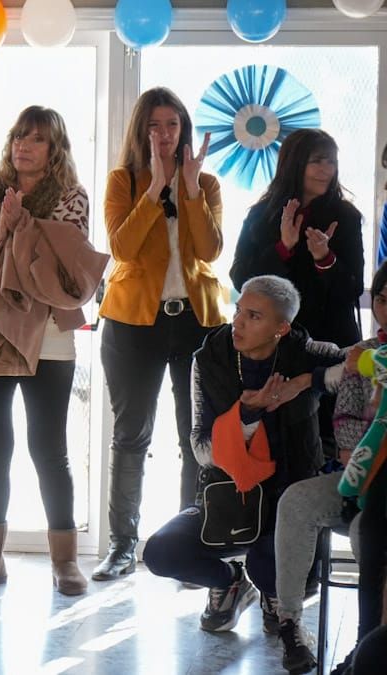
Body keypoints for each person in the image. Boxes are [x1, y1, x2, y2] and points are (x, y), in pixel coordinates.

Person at [0, 105, 107, 596]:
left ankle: (66, 563)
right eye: (18, 137)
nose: (23, 146)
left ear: (54, 148)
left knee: (48, 449)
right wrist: (0, 230)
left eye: (35, 139)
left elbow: (59, 268)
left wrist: (21, 227)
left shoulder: (71, 197)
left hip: (50, 336)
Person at [142, 275, 344, 636]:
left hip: (286, 501)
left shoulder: (307, 353)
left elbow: (364, 365)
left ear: (281, 328)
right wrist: (248, 416)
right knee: (161, 553)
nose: (237, 322)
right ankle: (230, 582)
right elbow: (202, 450)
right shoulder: (209, 359)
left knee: (270, 567)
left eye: (253, 316)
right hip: (226, 498)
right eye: (238, 311)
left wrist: (302, 383)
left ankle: (271, 592)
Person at [94, 87, 225, 582]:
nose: (164, 135)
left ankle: (188, 548)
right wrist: (154, 192)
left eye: (172, 125)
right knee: (130, 435)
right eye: (154, 125)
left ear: (184, 130)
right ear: (140, 131)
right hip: (133, 323)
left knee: (196, 438)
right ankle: (122, 546)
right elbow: (123, 248)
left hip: (196, 321)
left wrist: (189, 190)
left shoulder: (206, 183)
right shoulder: (123, 181)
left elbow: (210, 250)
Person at [270, 262, 386, 673]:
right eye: (382, 299)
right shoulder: (363, 354)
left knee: (366, 532)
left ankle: (367, 644)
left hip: (381, 494)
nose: (386, 308)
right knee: (296, 501)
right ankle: (289, 622)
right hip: (359, 476)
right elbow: (347, 429)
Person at [231, 128, 364, 458]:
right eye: (317, 161)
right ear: (295, 164)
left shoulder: (345, 216)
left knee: (335, 447)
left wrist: (325, 258)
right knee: (278, 446)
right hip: (278, 346)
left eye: (331, 162)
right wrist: (283, 248)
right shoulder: (261, 215)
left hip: (332, 345)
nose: (326, 170)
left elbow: (353, 288)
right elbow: (241, 279)